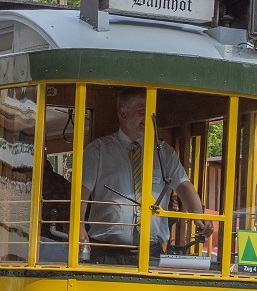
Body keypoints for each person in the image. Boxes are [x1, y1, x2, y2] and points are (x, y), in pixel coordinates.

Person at [80, 87, 204, 265]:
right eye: (142, 112)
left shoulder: (164, 153)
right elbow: (81, 190)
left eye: (151, 113)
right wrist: (78, 225)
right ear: (123, 113)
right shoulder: (98, 150)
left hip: (151, 251)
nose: (149, 118)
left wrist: (198, 217)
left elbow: (184, 186)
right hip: (106, 251)